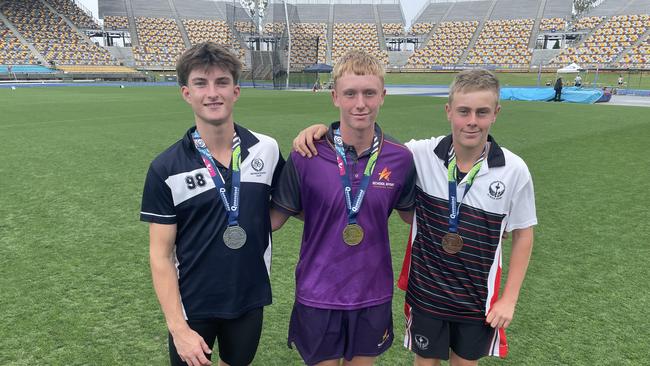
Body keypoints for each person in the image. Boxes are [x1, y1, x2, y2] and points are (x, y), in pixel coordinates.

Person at [293, 69, 537, 366]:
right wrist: (322, 132)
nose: (472, 121)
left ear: (496, 113)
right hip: (427, 296)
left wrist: (509, 299)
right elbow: (368, 147)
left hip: (476, 300)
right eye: (463, 111)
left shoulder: (514, 170)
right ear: (449, 111)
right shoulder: (420, 154)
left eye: (482, 112)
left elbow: (523, 234)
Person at [140, 42, 284, 366]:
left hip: (248, 300)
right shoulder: (165, 168)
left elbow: (285, 207)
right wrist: (178, 329)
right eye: (201, 83)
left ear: (236, 91)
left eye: (221, 83)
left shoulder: (267, 150)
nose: (212, 93)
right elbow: (160, 255)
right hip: (192, 306)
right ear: (185, 93)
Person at [270, 49, 416, 366]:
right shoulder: (306, 153)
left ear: (383, 96)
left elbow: (412, 216)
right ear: (335, 96)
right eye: (350, 93)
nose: (360, 103)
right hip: (318, 292)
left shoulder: (400, 158)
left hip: (372, 293)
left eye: (369, 93)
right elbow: (275, 217)